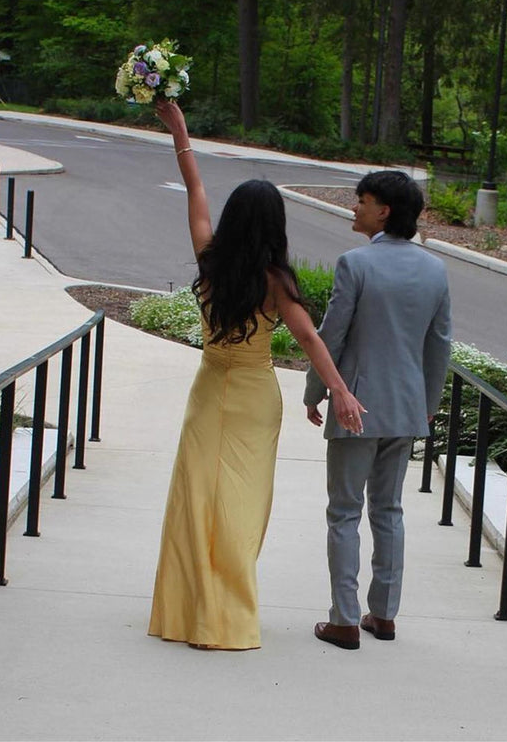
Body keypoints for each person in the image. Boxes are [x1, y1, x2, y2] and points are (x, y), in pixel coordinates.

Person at [148, 100, 365, 651]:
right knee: (241, 502)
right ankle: (225, 614)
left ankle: (190, 611)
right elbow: (310, 338)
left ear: (234, 220)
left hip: (209, 388)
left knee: (197, 496)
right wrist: (340, 391)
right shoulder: (276, 281)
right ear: (274, 226)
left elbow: (196, 192)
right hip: (253, 395)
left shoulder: (209, 259)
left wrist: (181, 132)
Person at [304, 170, 451, 651]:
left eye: (361, 201)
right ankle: (384, 614)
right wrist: (426, 406)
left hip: (357, 406)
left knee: (344, 512)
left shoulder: (355, 264)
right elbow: (439, 345)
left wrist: (315, 390)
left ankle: (345, 619)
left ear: (384, 210)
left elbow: (332, 336)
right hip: (407, 408)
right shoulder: (435, 270)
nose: (354, 208)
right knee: (388, 509)